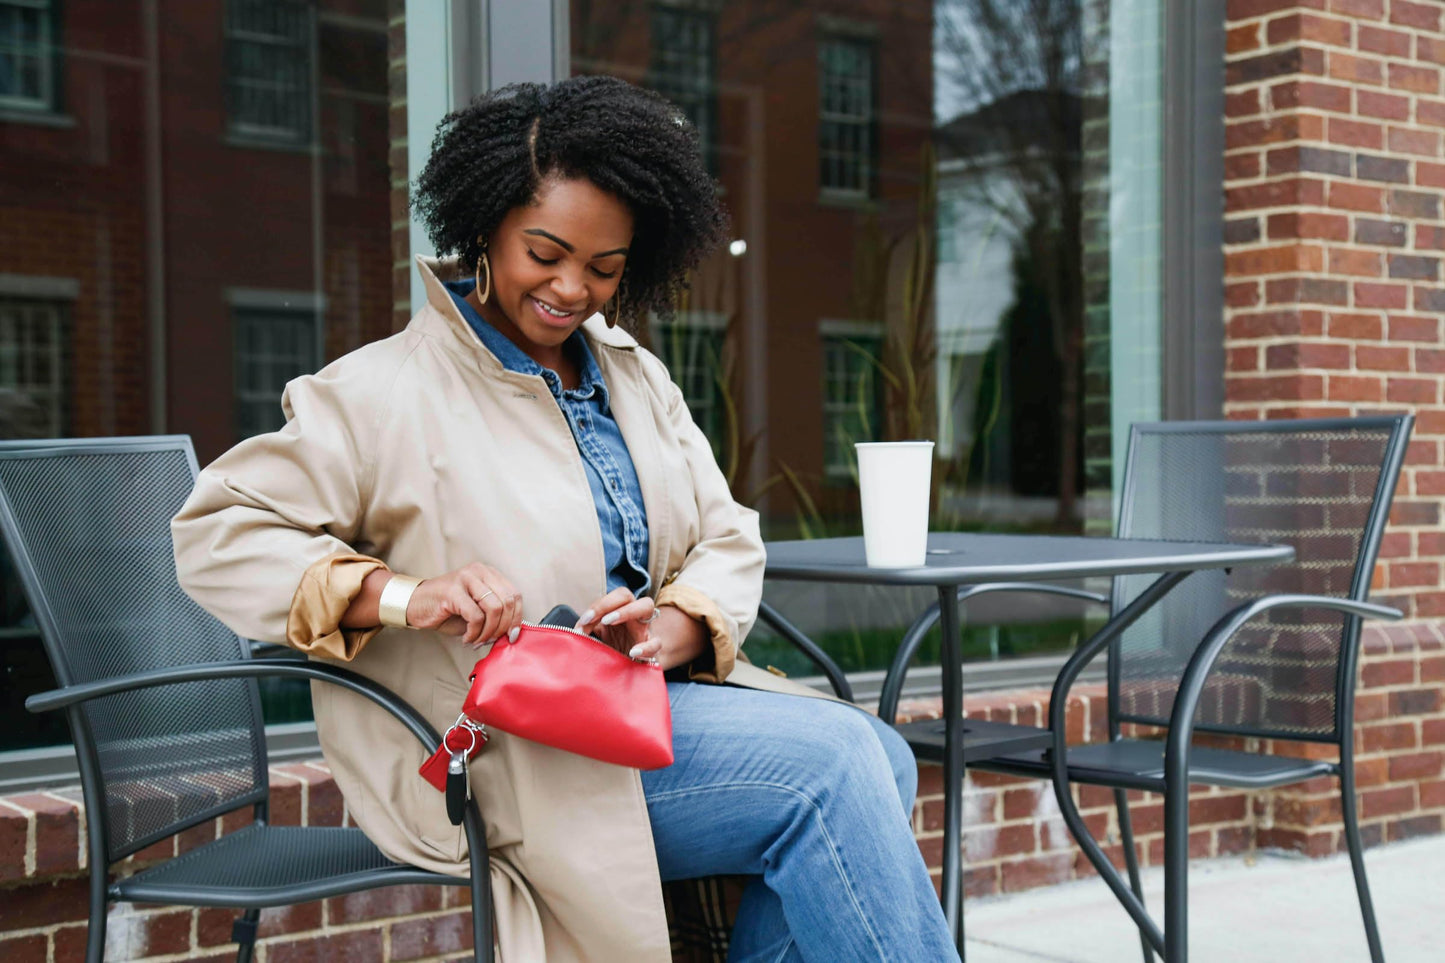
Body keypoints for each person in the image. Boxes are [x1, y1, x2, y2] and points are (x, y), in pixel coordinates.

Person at [172, 76, 957, 962]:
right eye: (544, 251)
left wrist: (671, 625)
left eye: (603, 268)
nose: (570, 287)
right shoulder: (378, 393)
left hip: (639, 709)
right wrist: (405, 594)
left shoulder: (633, 377)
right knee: (837, 770)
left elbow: (726, 532)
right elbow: (218, 535)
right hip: (498, 753)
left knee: (876, 758)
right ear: (485, 225)